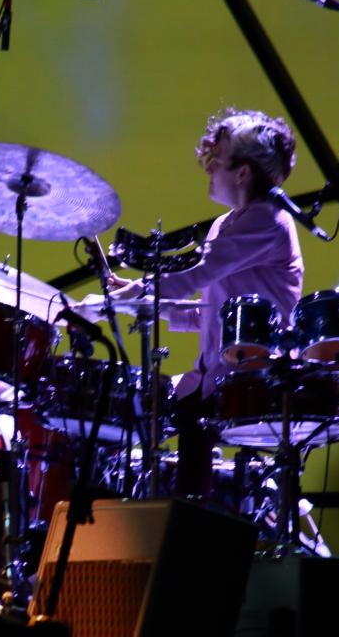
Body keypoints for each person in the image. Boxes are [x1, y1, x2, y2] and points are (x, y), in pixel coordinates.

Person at [108, 108, 304, 496]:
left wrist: (142, 290)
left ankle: (186, 514)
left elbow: (196, 273)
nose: (209, 167)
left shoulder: (268, 220)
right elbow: (213, 312)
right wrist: (142, 299)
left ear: (243, 172)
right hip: (218, 376)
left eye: (218, 159)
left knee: (169, 420)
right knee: (133, 406)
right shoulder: (225, 223)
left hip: (257, 380)